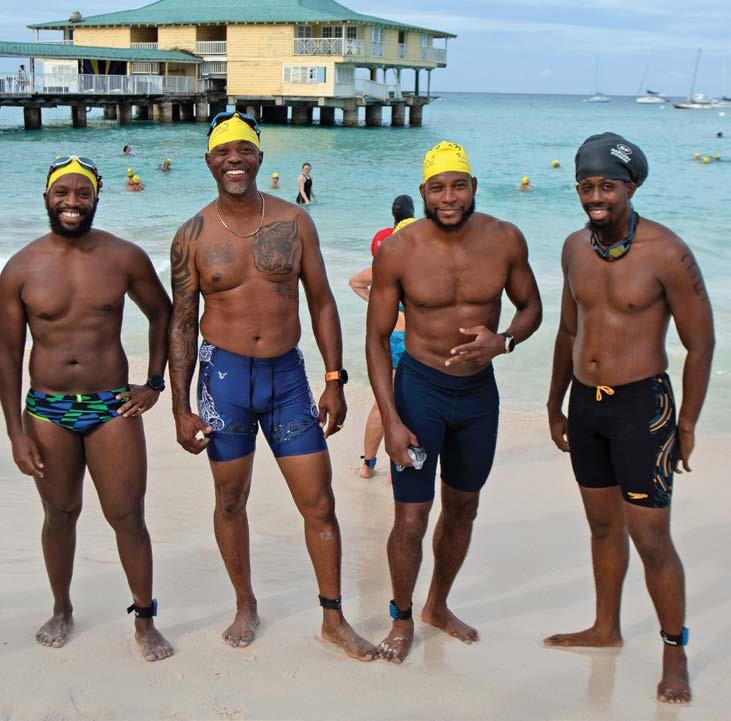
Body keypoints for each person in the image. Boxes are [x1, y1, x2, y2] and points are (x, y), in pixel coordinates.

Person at [168, 112, 376, 660]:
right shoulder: (191, 235)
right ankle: (245, 603)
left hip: (287, 378)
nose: (234, 160)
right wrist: (179, 407)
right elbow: (182, 323)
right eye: (223, 152)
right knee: (230, 499)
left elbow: (323, 301)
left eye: (244, 150)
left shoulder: (294, 221)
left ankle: (333, 618)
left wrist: (334, 379)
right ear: (209, 161)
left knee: (319, 502)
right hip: (224, 378)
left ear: (260, 157)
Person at [544, 132, 715, 704]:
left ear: (631, 187)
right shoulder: (574, 248)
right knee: (601, 527)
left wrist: (686, 424)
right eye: (586, 186)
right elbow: (567, 329)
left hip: (643, 409)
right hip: (586, 406)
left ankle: (674, 652)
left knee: (651, 539)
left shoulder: (667, 252)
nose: (596, 197)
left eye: (607, 187)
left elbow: (700, 343)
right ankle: (605, 626)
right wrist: (554, 401)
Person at [366, 141, 542, 663]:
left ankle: (437, 605)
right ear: (423, 191)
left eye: (459, 186)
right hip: (420, 391)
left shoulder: (505, 239)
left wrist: (503, 341)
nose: (449, 198)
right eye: (438, 188)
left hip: (478, 396)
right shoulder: (399, 251)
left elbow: (531, 306)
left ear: (473, 187)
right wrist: (390, 421)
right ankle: (401, 616)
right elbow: (376, 339)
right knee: (412, 517)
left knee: (464, 507)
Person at [0, 156, 173, 661]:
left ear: (97, 198)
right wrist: (15, 433)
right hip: (47, 409)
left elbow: (163, 314)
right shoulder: (20, 268)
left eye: (83, 193)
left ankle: (145, 618)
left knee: (128, 515)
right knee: (59, 512)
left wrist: (154, 383)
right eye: (63, 193)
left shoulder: (124, 257)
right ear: (47, 197)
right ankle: (61, 608)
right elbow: (8, 354)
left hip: (111, 406)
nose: (72, 202)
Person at [349, 195, 415, 478]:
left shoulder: (385, 261)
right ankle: (399, 467)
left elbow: (355, 282)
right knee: (413, 404)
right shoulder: (422, 262)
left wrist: (379, 305)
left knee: (383, 404)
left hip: (391, 338)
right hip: (415, 341)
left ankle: (368, 464)